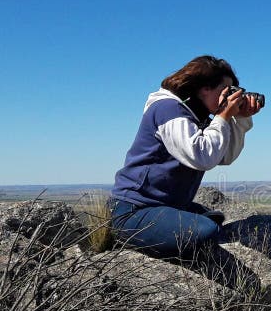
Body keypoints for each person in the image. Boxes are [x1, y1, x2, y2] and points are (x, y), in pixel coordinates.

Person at [109, 55, 262, 266]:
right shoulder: (168, 110)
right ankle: (128, 236)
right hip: (134, 209)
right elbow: (202, 157)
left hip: (165, 205)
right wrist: (223, 117)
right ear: (203, 88)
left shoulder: (195, 116)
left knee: (214, 220)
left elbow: (224, 156)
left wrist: (239, 118)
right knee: (207, 232)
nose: (229, 96)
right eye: (226, 90)